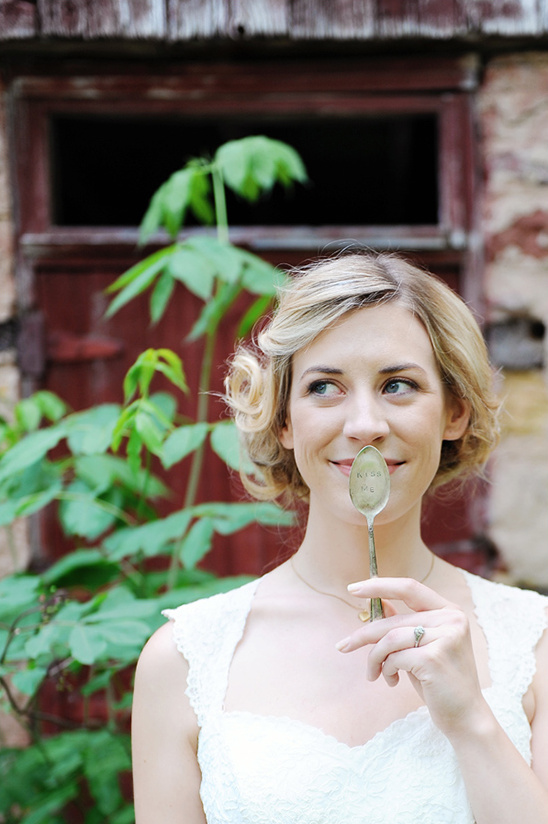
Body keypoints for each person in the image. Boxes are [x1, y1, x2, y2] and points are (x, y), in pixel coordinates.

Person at [131, 252, 548, 824]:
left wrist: (474, 723)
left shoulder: (534, 646)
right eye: (324, 387)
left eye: (398, 385)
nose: (364, 424)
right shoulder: (183, 662)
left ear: (455, 412)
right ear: (284, 420)